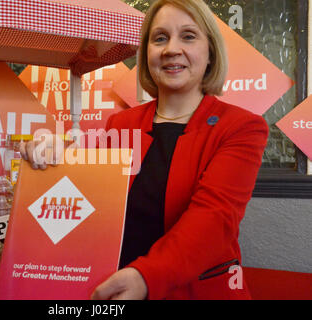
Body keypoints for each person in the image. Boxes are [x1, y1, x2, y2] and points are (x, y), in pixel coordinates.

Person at [21, 0, 268, 300]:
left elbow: (214, 220)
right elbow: (93, 204)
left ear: (210, 53)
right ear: (146, 52)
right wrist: (56, 161)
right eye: (160, 38)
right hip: (119, 291)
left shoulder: (241, 127)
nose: (171, 49)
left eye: (188, 36)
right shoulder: (121, 124)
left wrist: (146, 277)